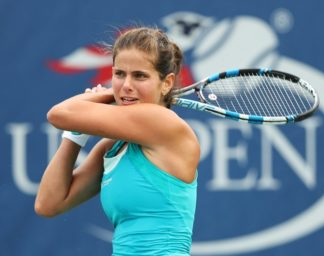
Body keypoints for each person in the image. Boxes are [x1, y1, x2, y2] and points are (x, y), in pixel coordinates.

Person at [35, 27, 200, 255]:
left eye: (140, 76)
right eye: (119, 74)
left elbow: (58, 114)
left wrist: (100, 99)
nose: (126, 85)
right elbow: (48, 203)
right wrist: (76, 133)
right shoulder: (111, 146)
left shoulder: (163, 122)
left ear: (167, 83)